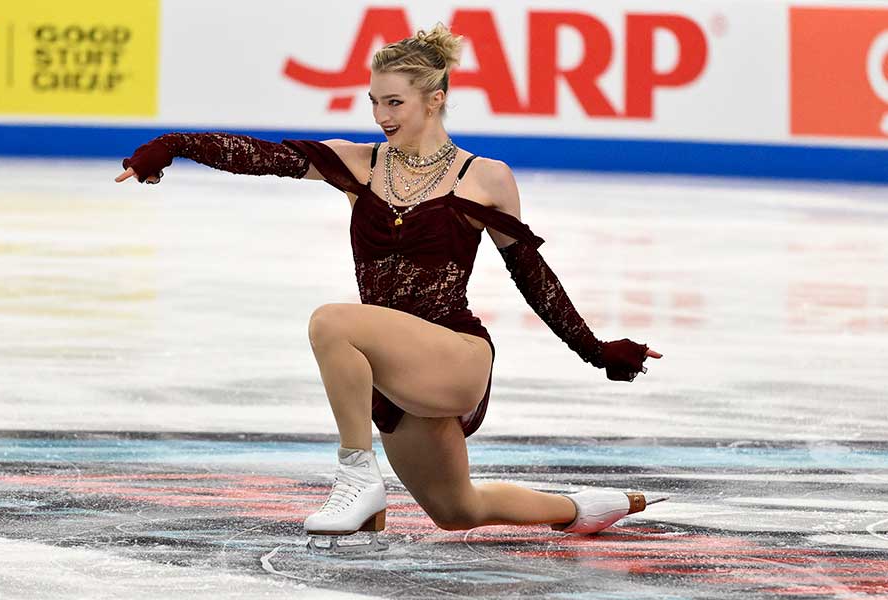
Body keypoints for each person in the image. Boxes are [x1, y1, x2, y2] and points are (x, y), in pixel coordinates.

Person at [115, 24, 663, 553]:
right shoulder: (361, 164)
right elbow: (263, 156)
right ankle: (582, 508)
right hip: (393, 372)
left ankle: (356, 474)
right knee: (455, 508)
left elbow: (531, 274)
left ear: (435, 99)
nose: (381, 116)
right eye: (374, 102)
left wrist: (596, 350)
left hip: (455, 356)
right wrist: (173, 144)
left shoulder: (484, 177)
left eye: (394, 102)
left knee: (332, 322)